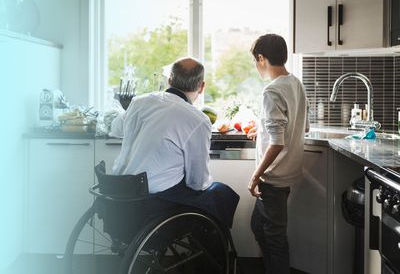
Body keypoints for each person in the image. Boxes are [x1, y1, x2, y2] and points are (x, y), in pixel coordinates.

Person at [111, 57, 239, 228]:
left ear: (170, 80)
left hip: (120, 191)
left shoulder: (139, 102)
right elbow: (197, 181)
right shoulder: (197, 120)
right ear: (201, 87)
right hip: (155, 202)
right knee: (220, 192)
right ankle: (215, 252)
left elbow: (116, 128)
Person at [247, 34, 309, 274]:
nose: (256, 66)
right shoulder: (295, 83)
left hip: (272, 177)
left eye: (255, 60)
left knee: (274, 237)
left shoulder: (271, 91)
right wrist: (261, 129)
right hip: (287, 173)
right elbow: (301, 126)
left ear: (262, 58)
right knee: (259, 226)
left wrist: (255, 175)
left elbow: (277, 142)